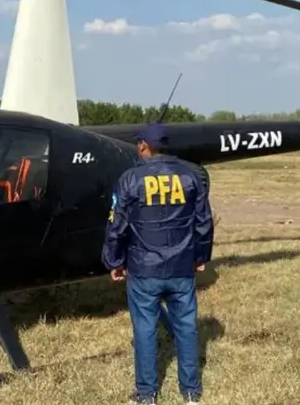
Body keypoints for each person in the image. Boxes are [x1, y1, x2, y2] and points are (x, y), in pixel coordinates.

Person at [102, 122, 214, 405]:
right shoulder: (191, 176)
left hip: (144, 269)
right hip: (181, 267)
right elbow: (204, 222)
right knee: (186, 327)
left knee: (144, 330)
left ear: (143, 146)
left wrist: (114, 260)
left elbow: (116, 225)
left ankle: (147, 394)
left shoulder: (130, 178)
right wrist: (200, 256)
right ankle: (191, 393)